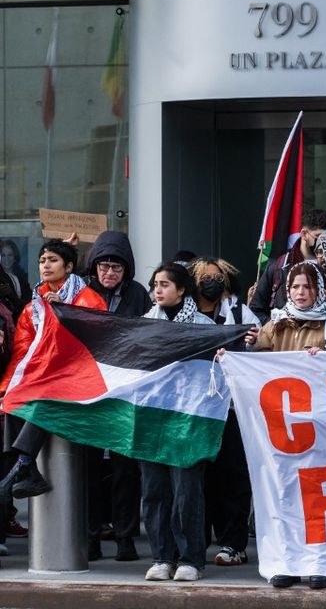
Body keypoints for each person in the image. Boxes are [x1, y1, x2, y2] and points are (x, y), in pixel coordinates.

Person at [245, 261, 326, 589]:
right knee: (284, 495)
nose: (301, 293)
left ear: (318, 290)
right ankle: (288, 562)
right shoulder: (273, 328)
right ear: (286, 291)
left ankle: (319, 561)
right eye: (295, 287)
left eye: (307, 287)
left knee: (320, 497)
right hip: (281, 430)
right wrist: (244, 349)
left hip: (320, 431)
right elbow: (254, 368)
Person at [0, 239, 106, 501]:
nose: (45, 265)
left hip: (83, 380)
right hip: (48, 379)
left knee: (44, 400)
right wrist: (7, 389)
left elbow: (93, 345)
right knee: (14, 399)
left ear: (69, 267)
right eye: (42, 260)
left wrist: (64, 312)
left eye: (53, 260)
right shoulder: (32, 305)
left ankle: (23, 466)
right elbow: (23, 353)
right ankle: (27, 469)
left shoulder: (89, 299)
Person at [141, 262, 214, 582]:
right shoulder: (142, 325)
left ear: (182, 289)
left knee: (187, 492)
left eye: (165, 284)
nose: (158, 290)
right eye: (155, 284)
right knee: (154, 491)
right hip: (152, 419)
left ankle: (190, 559)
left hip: (188, 421)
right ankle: (161, 557)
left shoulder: (203, 325)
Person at [83, 230, 152, 562]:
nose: (109, 273)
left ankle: (125, 537)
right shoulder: (79, 293)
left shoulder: (139, 295)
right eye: (104, 266)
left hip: (127, 392)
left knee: (126, 469)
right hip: (91, 391)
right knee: (90, 468)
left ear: (127, 270)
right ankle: (91, 536)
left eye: (116, 268)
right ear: (93, 267)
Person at [189, 257, 259, 567]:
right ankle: (196, 542)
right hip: (195, 408)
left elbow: (262, 351)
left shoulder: (241, 314)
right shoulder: (184, 315)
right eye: (205, 277)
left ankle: (234, 544)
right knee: (199, 478)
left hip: (230, 408)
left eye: (217, 277)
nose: (211, 282)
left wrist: (256, 342)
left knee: (232, 477)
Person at [249, 208, 326, 323]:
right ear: (304, 234)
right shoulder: (279, 265)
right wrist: (278, 328)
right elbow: (256, 309)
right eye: (319, 237)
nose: (323, 243)